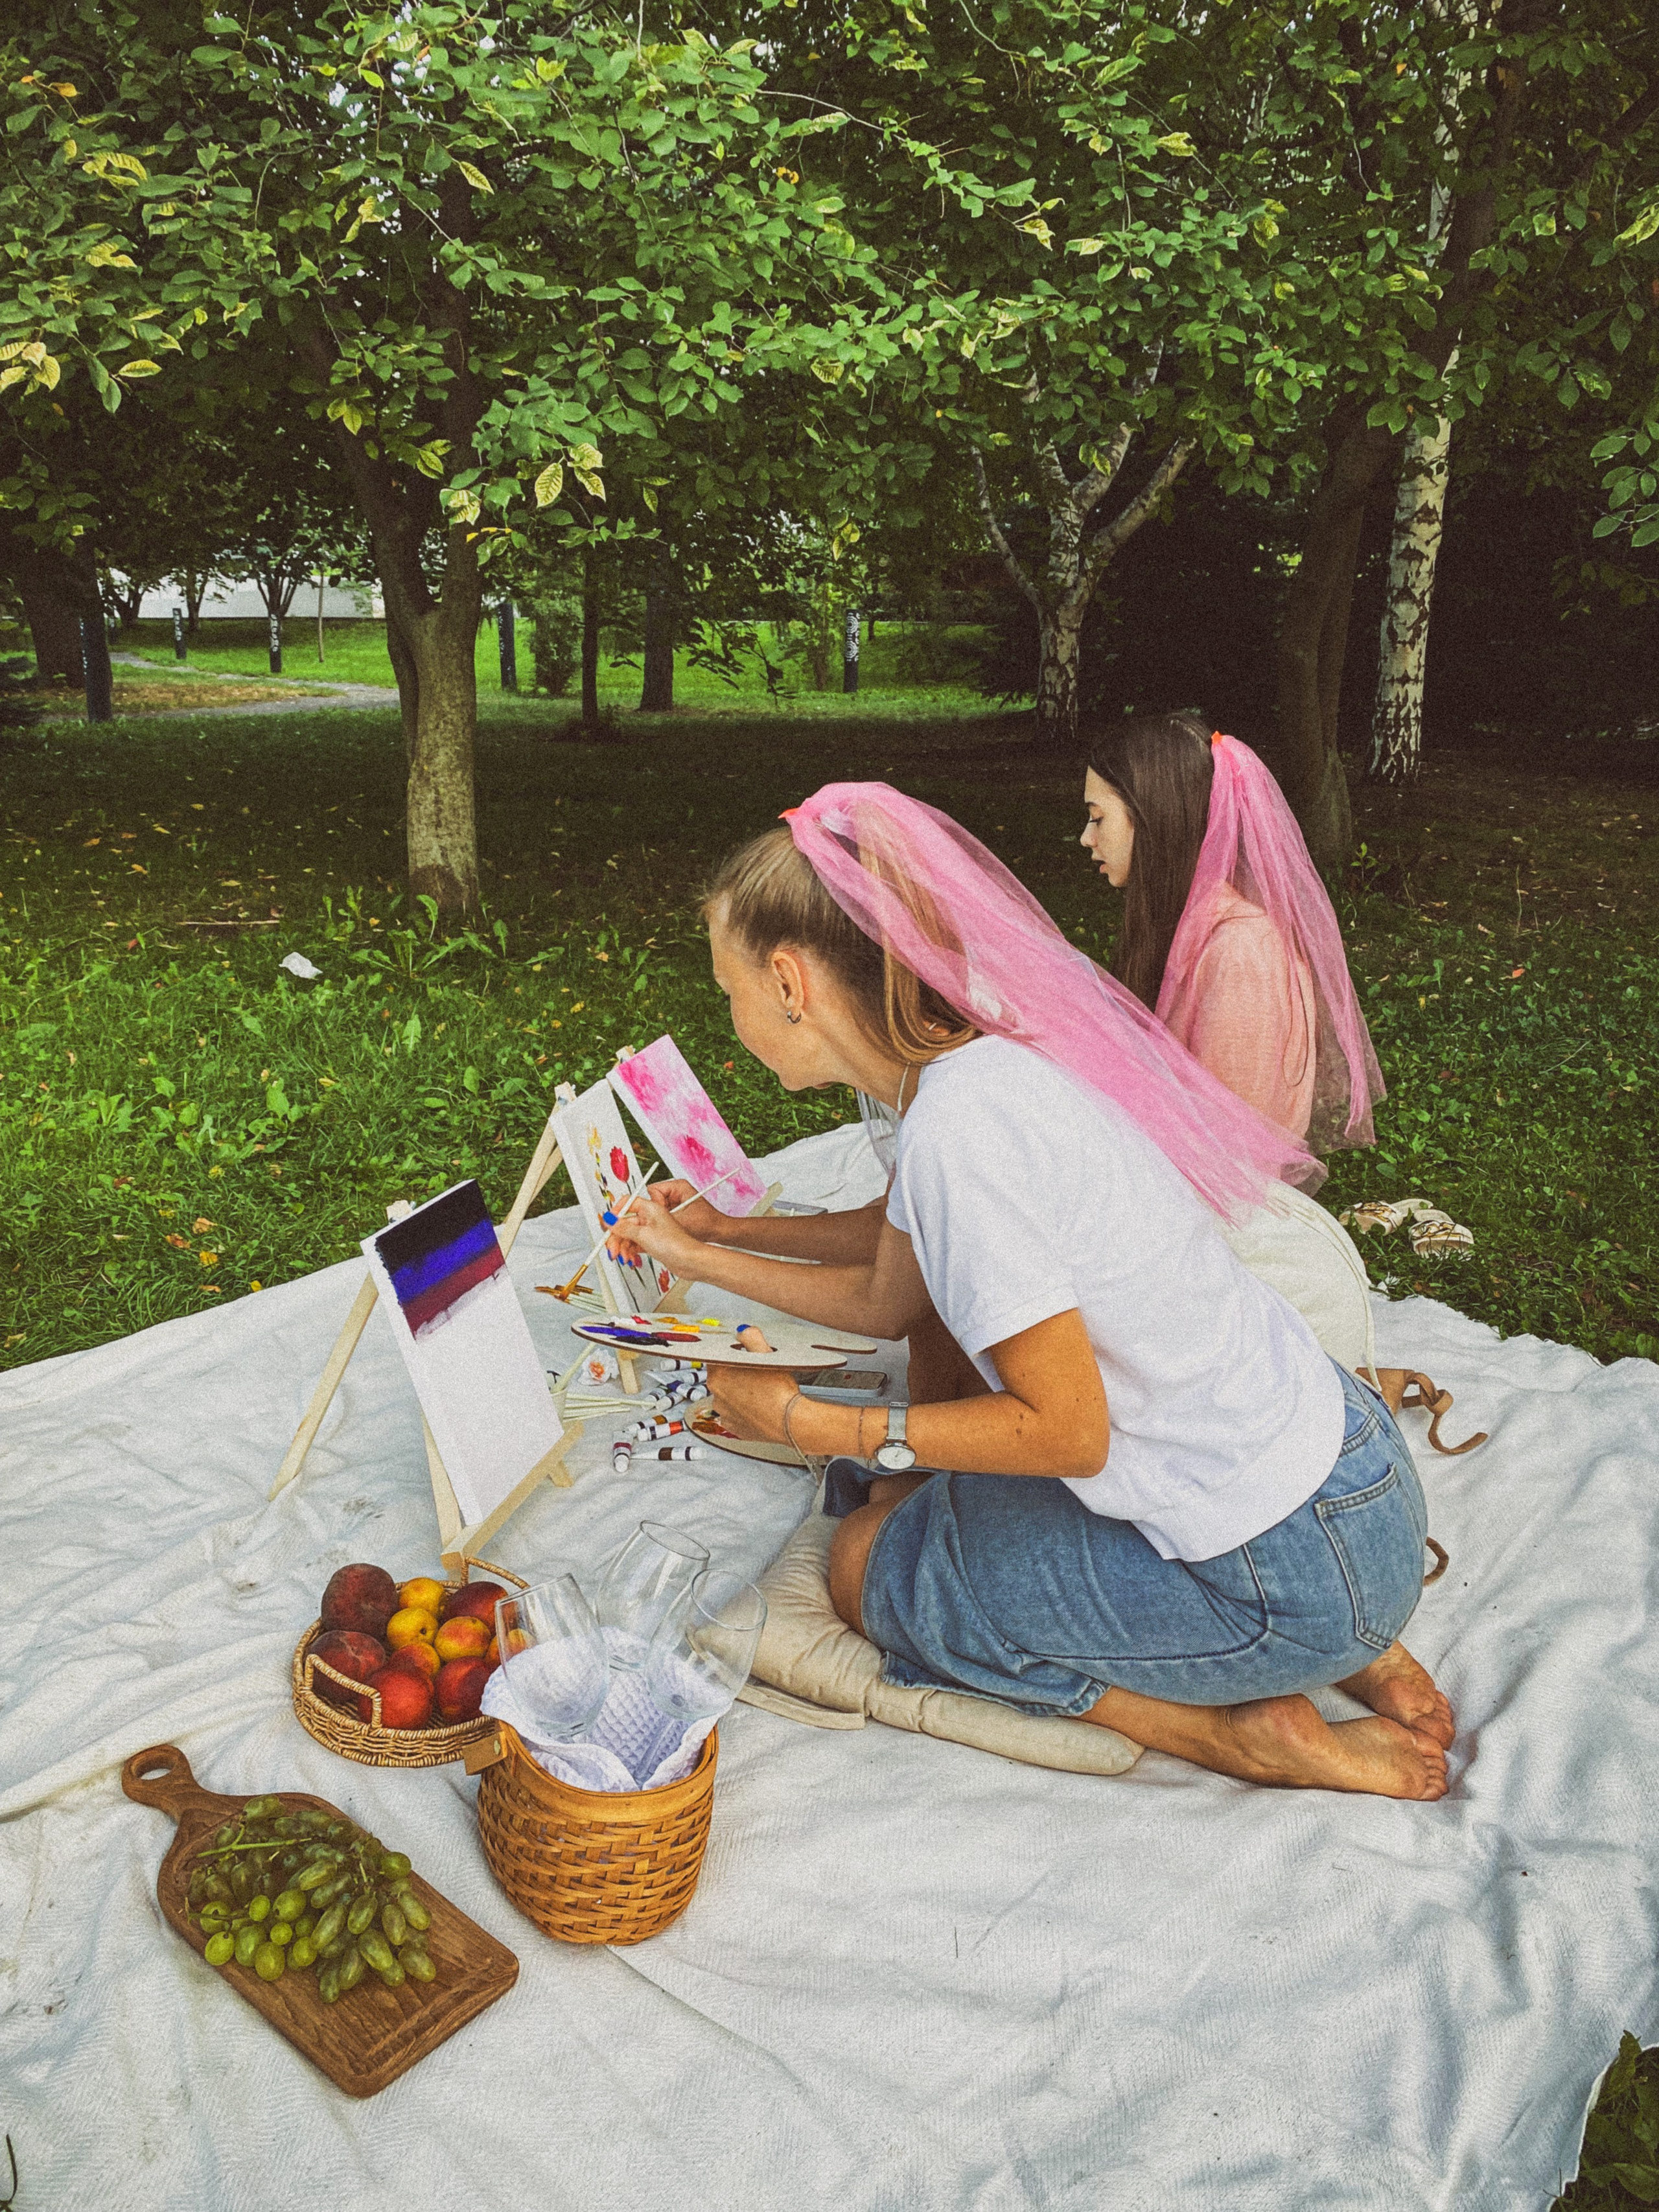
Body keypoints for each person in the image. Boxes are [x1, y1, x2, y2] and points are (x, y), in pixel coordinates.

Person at [610, 784, 1455, 1800]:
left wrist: (805, 1420)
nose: (731, 1016)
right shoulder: (987, 1057)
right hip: (1351, 1470)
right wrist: (714, 1238)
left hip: (1295, 1572)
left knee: (864, 1562)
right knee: (900, 1490)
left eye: (727, 990)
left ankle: (1233, 1732)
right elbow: (893, 1287)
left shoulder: (958, 1139)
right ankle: (1349, 1643)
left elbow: (1068, 1434)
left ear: (790, 980)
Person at [1080, 713, 1384, 1150]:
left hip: (1217, 1202)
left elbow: (1231, 1149)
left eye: (1098, 818)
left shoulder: (1241, 952)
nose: (1086, 838)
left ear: (1152, 817)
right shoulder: (1186, 922)